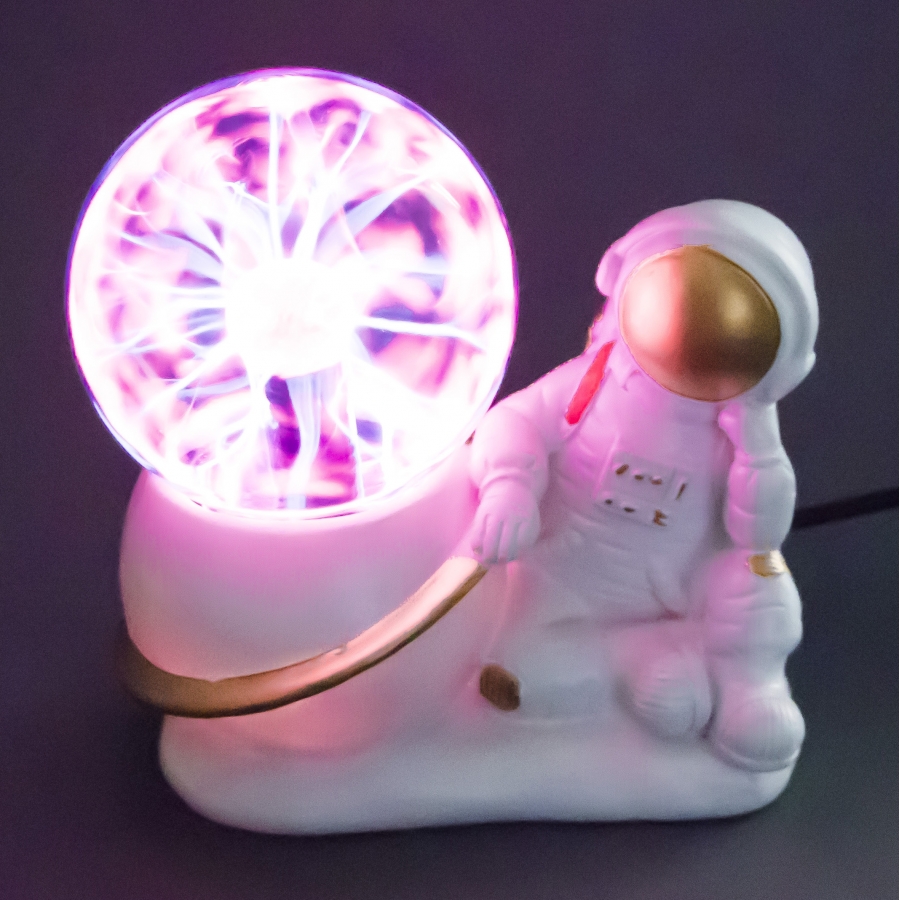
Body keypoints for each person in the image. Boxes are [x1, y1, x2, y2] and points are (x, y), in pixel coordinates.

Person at [468, 199, 818, 772]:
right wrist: (509, 485)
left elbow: (758, 531)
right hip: (565, 571)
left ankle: (750, 693)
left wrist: (756, 448)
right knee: (516, 681)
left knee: (756, 576)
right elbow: (515, 421)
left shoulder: (740, 427)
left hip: (678, 583)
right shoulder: (593, 384)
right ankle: (637, 660)